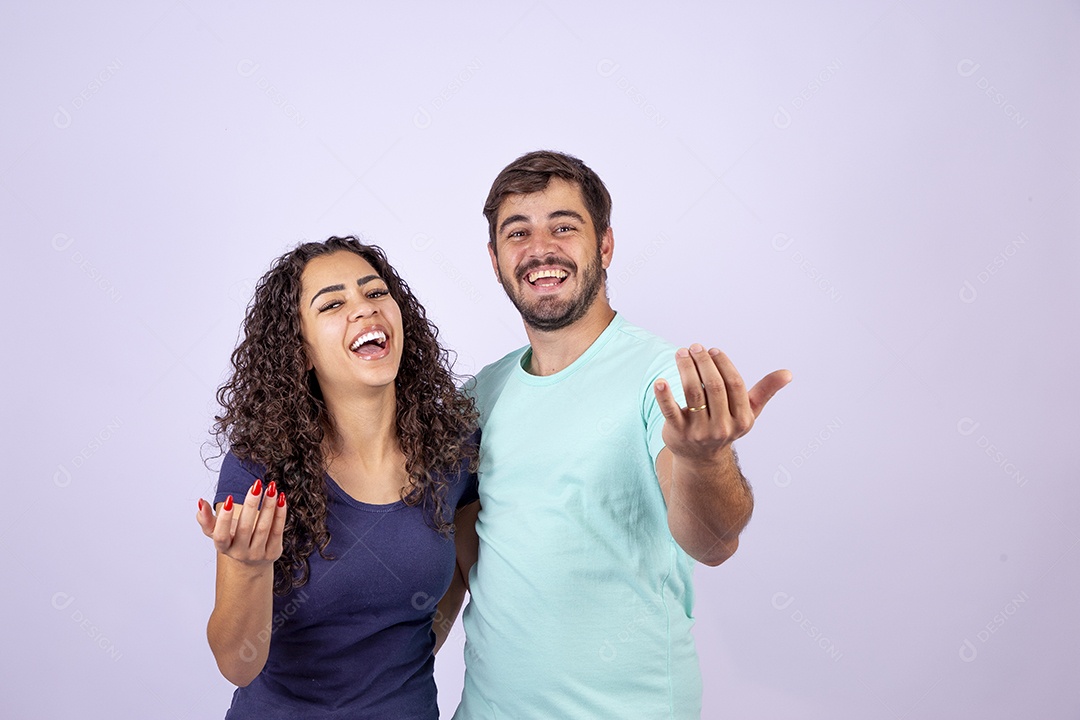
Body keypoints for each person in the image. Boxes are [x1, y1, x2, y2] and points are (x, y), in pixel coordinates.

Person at [452, 151, 791, 719]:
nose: (540, 249)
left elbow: (713, 544)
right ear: (494, 259)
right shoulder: (482, 394)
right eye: (518, 232)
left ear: (604, 246)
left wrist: (705, 459)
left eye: (564, 227)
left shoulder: (660, 379)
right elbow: (463, 559)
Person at [195, 236, 480, 719]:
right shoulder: (259, 469)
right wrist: (250, 568)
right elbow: (237, 665)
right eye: (332, 304)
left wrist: (406, 657)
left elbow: (466, 570)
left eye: (374, 293)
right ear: (300, 351)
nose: (363, 310)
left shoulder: (452, 450)